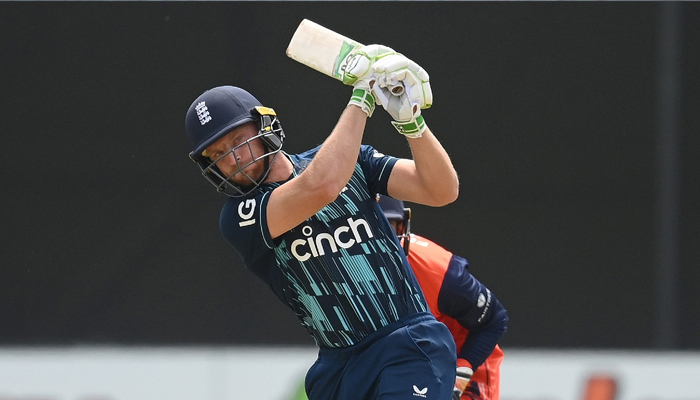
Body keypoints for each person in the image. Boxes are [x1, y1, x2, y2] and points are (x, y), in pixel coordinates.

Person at [184, 45, 460, 400]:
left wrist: (412, 124)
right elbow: (321, 186)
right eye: (218, 154)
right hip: (337, 367)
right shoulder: (239, 217)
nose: (234, 159)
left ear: (265, 126)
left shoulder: (353, 162)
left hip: (405, 341)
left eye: (239, 140)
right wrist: (363, 96)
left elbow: (441, 190)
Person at [377, 195, 509, 400]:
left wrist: (461, 372)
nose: (380, 240)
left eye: (389, 226)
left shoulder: (438, 272)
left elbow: (494, 320)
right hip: (401, 358)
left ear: (402, 226)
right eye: (371, 228)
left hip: (460, 356)